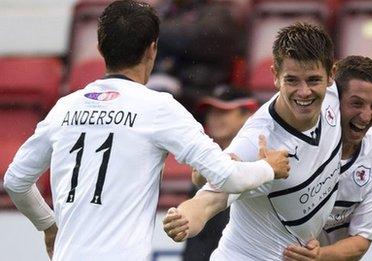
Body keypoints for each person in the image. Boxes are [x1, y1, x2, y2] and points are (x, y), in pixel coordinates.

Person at [2, 1, 291, 260]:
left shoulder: (65, 108)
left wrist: (48, 225)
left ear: (101, 49)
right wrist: (269, 167)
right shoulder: (158, 108)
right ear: (153, 48)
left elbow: (16, 181)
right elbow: (227, 176)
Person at [162, 23, 372, 260]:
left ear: (330, 77)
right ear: (275, 75)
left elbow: (355, 97)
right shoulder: (259, 139)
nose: (304, 92)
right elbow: (213, 196)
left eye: (313, 80)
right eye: (291, 80)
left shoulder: (332, 96)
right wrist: (187, 217)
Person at [282, 56, 372, 261]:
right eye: (356, 104)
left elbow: (360, 240)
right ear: (333, 100)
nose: (366, 117)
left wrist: (318, 256)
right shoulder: (296, 139)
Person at [183, 85, 259, 261]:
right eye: (211, 112)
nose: (214, 118)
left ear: (247, 116)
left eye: (224, 112)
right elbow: (197, 237)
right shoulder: (201, 163)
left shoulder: (262, 164)